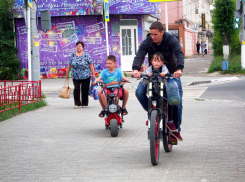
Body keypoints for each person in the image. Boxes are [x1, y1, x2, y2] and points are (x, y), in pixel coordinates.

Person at [132, 21, 184, 141]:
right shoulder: (147, 41)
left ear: (162, 32)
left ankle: (175, 130)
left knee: (177, 101)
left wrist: (179, 68)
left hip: (170, 74)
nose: (153, 37)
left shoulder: (171, 39)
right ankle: (152, 112)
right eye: (151, 34)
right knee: (139, 92)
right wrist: (135, 69)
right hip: (152, 74)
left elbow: (179, 53)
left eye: (155, 34)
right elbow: (140, 55)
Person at [66, 41, 95, 108]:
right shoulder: (73, 55)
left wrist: (93, 73)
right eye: (77, 46)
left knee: (85, 89)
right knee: (76, 88)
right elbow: (70, 64)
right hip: (75, 75)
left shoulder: (86, 55)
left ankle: (84, 103)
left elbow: (90, 64)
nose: (78, 47)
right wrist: (67, 73)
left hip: (86, 75)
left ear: (83, 47)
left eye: (80, 46)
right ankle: (77, 103)